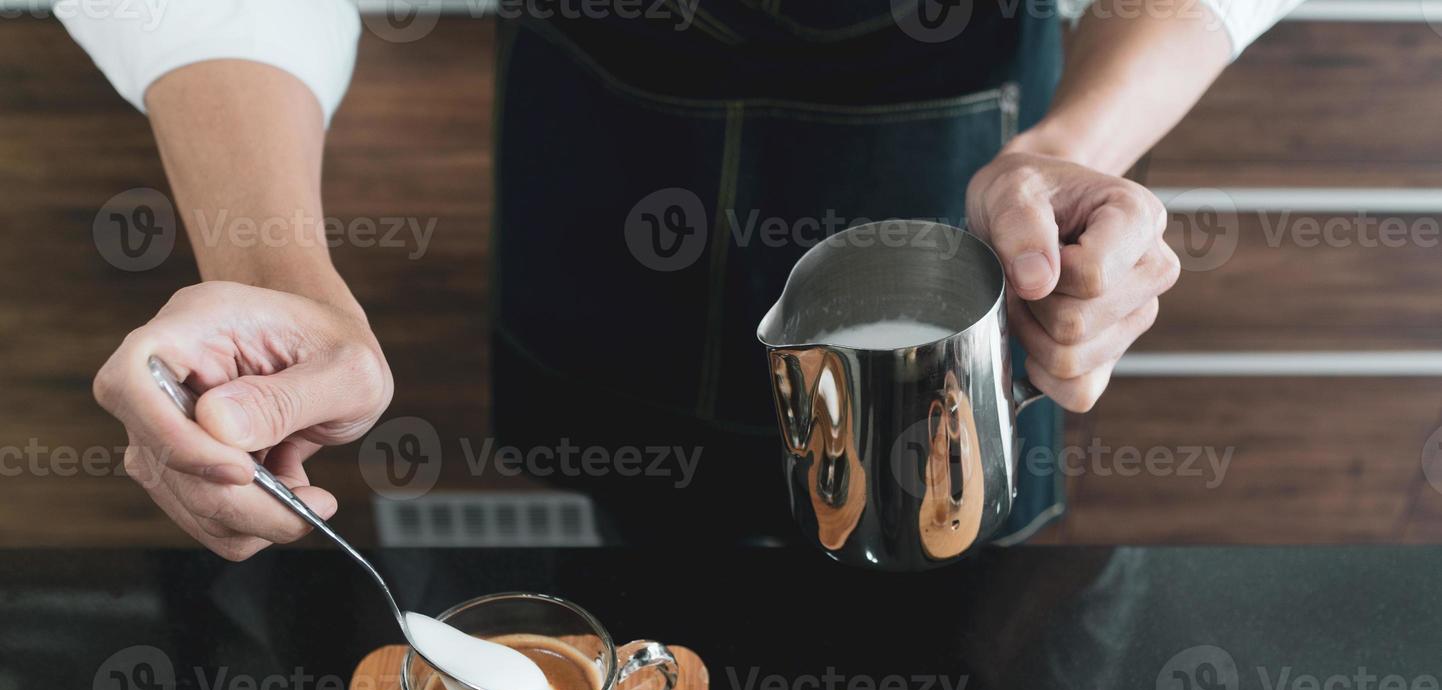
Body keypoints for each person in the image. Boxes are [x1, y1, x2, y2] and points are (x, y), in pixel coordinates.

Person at [61, 0, 1301, 558]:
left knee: (947, 583)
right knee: (650, 550)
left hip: (951, 138)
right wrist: (279, 273)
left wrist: (1070, 152)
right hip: (605, 134)